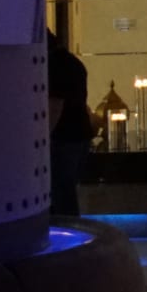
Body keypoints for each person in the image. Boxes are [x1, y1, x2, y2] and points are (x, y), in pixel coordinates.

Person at [47, 29, 92, 217]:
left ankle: (66, 228)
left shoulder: (54, 66)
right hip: (80, 134)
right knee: (67, 190)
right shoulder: (74, 63)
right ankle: (72, 228)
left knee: (61, 192)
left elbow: (55, 106)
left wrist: (43, 137)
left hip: (63, 137)